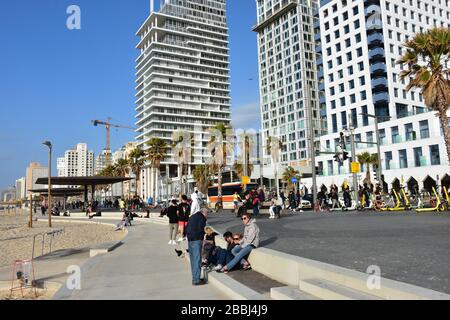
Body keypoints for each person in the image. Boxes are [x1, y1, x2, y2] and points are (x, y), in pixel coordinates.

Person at [185, 208, 209, 286]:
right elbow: (201, 229)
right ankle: (196, 280)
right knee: (197, 260)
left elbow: (187, 227)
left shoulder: (192, 216)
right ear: (204, 213)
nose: (207, 216)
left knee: (193, 260)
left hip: (190, 239)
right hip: (196, 240)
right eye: (207, 214)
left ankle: (195, 277)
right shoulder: (201, 218)